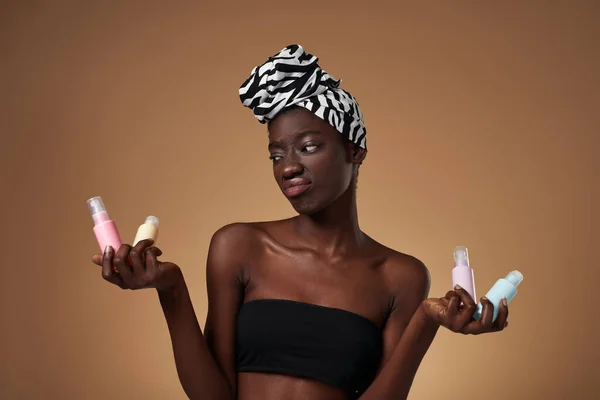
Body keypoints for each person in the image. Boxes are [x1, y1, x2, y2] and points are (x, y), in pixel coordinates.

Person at [91, 44, 509, 400]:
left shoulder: (400, 276)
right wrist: (171, 288)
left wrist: (426, 320)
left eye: (308, 146)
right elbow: (214, 396)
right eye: (276, 154)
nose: (288, 167)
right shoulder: (239, 246)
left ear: (355, 150)